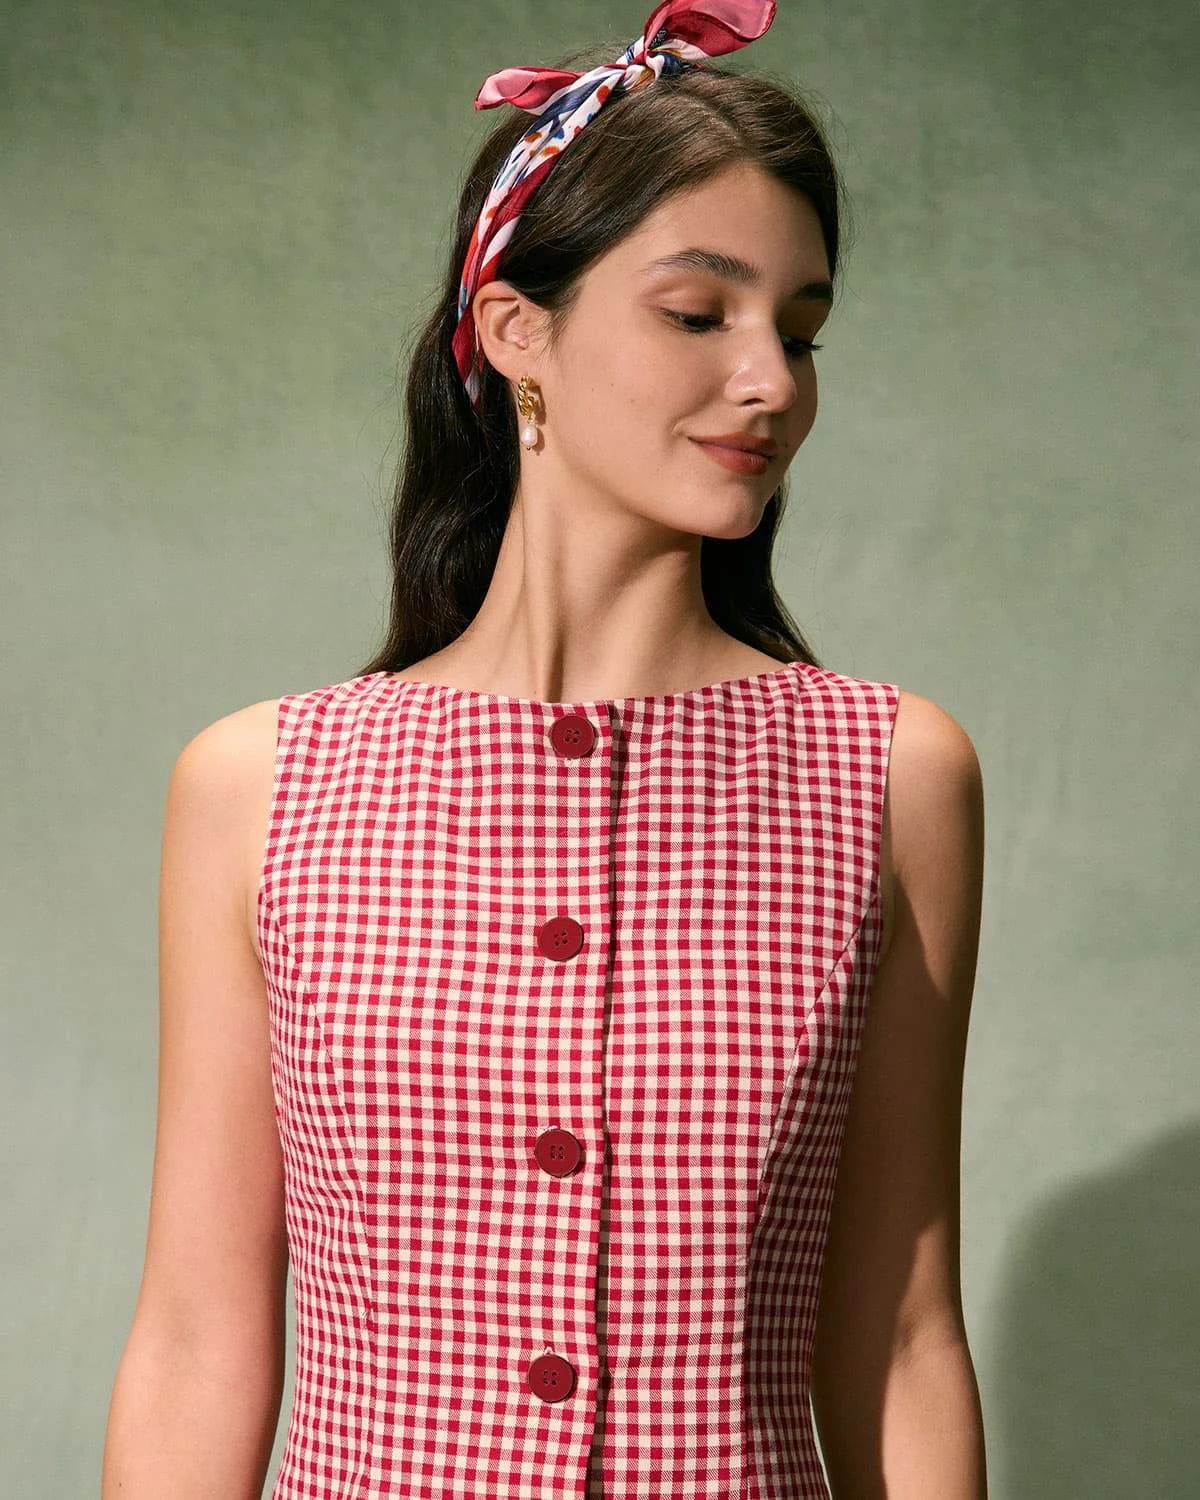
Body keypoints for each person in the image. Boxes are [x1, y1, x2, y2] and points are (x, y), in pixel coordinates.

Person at [102, 1, 988, 1496]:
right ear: (519, 333)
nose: (773, 382)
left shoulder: (890, 774)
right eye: (698, 314)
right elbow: (196, 1342)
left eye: (801, 330)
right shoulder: (260, 789)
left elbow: (900, 1339)